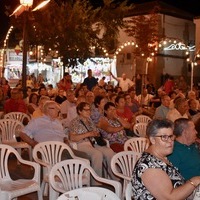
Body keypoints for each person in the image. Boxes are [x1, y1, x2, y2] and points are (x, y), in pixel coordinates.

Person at [132, 119, 200, 200]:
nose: (170, 141)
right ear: (152, 139)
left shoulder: (163, 158)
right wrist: (194, 181)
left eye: (171, 136)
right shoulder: (149, 166)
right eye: (164, 137)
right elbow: (170, 198)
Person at [19, 101, 89, 160]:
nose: (58, 110)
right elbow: (22, 133)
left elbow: (63, 135)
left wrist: (65, 140)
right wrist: (34, 143)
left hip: (63, 148)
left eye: (58, 109)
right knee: (65, 159)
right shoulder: (37, 121)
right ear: (47, 109)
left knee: (85, 157)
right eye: (55, 108)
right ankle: (66, 175)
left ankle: (74, 175)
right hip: (48, 150)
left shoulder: (57, 122)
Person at [69, 102, 115, 177]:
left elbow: (95, 132)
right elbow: (72, 138)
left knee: (109, 152)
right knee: (97, 154)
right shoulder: (75, 122)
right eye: (86, 110)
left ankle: (114, 177)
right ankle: (97, 181)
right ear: (80, 111)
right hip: (82, 144)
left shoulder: (90, 121)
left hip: (94, 142)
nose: (88, 112)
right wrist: (88, 134)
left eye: (89, 110)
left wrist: (96, 133)